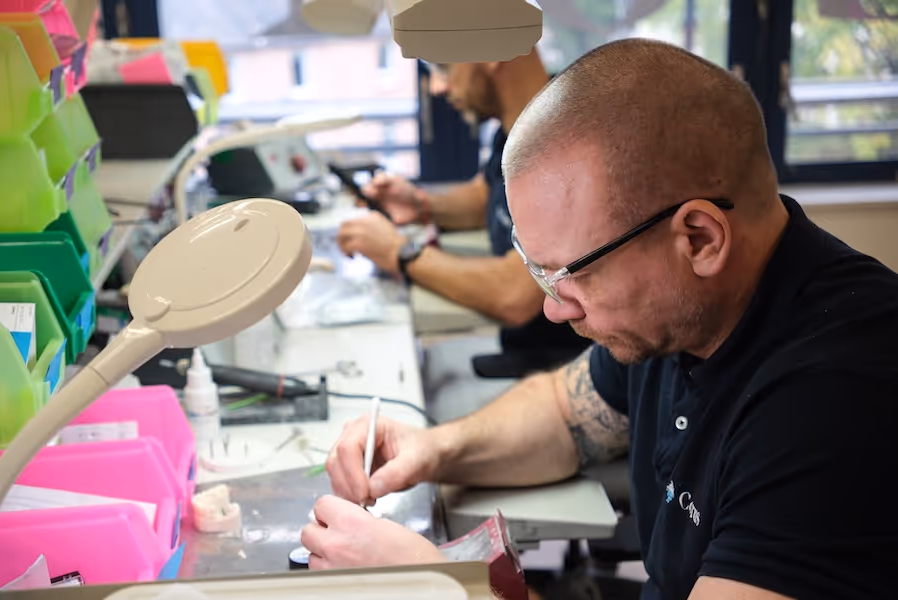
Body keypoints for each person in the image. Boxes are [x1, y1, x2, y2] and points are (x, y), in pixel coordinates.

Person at [302, 39, 898, 600]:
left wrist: (435, 584)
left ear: (699, 238)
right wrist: (432, 448)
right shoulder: (684, 312)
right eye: (542, 273)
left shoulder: (837, 399)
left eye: (572, 274)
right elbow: (568, 410)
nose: (553, 308)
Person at [336, 50, 591, 377]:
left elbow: (514, 295)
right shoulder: (521, 125)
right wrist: (420, 205)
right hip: (522, 354)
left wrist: (398, 253)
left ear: (493, 51)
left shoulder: (564, 142)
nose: (437, 88)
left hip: (566, 373)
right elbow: (491, 197)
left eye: (444, 67)